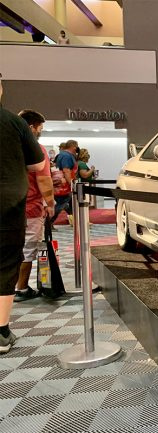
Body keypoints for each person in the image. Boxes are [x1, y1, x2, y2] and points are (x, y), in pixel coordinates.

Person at [0, 74, 46, 354]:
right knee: (6, 264)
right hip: (8, 207)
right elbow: (38, 166)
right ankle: (1, 332)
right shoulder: (13, 123)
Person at [14, 110, 55, 302]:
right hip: (30, 207)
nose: (40, 132)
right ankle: (21, 288)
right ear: (31, 127)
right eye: (40, 128)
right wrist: (50, 203)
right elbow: (44, 179)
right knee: (28, 249)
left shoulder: (7, 146)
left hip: (7, 206)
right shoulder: (36, 149)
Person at [51, 140, 79, 226]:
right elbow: (66, 170)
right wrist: (71, 184)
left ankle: (76, 220)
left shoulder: (62, 155)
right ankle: (48, 222)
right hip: (64, 186)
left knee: (66, 204)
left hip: (61, 185)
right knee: (61, 204)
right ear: (73, 146)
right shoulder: (67, 156)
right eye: (76, 147)